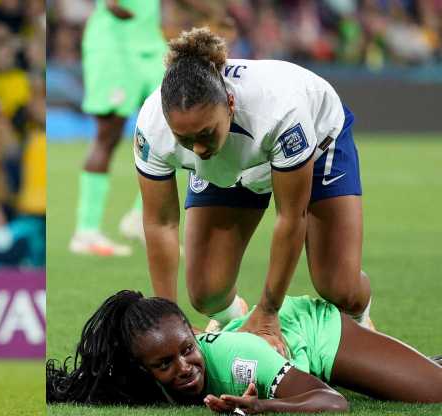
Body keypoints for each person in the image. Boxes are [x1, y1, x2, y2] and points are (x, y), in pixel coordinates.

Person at [134, 27, 374, 349]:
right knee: (207, 293)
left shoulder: (279, 110)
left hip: (316, 139)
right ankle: (236, 315)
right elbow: (160, 223)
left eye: (205, 134)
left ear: (230, 103)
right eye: (185, 140)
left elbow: (291, 217)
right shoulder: (152, 127)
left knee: (339, 287)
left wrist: (269, 314)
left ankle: (362, 319)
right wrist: (169, 322)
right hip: (236, 159)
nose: (199, 150)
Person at [47, 290, 442, 412]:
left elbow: (332, 402)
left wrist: (266, 408)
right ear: (142, 366)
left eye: (187, 349)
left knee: (435, 390)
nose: (184, 367)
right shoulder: (136, 379)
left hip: (314, 336)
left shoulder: (240, 359)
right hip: (284, 355)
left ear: (195, 332)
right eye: (164, 363)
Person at [70, 0, 167, 256]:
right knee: (108, 136)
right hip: (114, 45)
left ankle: (139, 218)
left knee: (175, 133)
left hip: (151, 43)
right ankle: (86, 231)